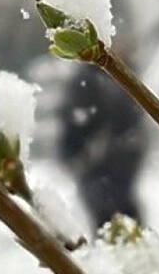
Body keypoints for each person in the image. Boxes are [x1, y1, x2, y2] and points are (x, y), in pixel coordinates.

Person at [58, 65, 149, 230]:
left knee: (115, 216)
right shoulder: (89, 83)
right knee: (110, 216)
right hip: (97, 166)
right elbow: (71, 126)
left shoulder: (114, 82)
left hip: (111, 165)